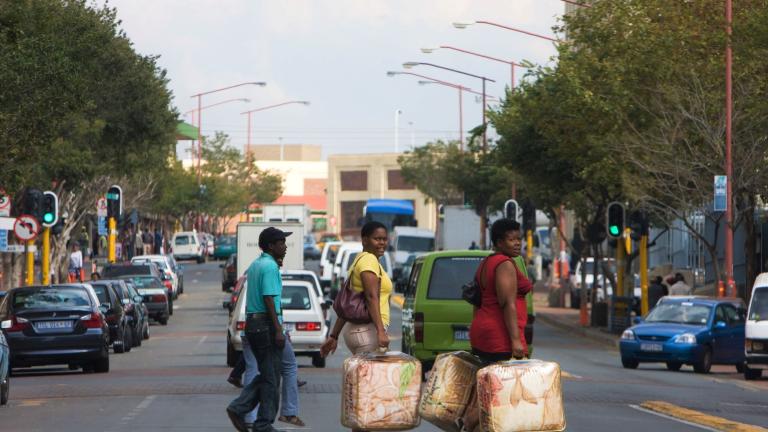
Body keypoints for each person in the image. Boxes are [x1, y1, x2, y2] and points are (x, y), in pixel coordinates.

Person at [227, 227, 290, 432]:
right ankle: (262, 423)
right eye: (281, 242)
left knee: (267, 374)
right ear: (271, 246)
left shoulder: (256, 264)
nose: (285, 246)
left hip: (253, 324)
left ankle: (241, 408)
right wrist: (278, 330)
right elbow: (269, 298)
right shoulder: (270, 267)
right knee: (271, 378)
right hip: (266, 325)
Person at [321, 221, 392, 358]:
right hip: (368, 332)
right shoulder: (369, 260)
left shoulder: (360, 260)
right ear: (365, 240)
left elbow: (350, 304)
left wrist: (334, 336)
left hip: (359, 332)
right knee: (372, 379)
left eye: (384, 239)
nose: (382, 243)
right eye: (377, 239)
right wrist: (381, 331)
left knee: (364, 378)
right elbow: (372, 297)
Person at [469, 218, 532, 365]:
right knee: (510, 386)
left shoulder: (486, 262)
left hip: (483, 334)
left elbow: (477, 303)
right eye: (511, 239)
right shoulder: (504, 264)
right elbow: (507, 303)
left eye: (519, 239)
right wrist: (516, 341)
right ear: (499, 242)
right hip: (500, 338)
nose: (517, 243)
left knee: (489, 386)